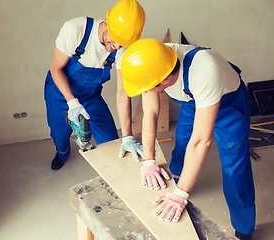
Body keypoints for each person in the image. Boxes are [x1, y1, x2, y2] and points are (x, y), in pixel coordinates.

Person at [121, 39, 255, 240]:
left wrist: (180, 195)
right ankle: (177, 180)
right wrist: (148, 161)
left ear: (164, 80)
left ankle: (244, 228)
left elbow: (202, 141)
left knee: (234, 167)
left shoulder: (205, 71)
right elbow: (150, 112)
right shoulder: (155, 59)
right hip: (193, 102)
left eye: (147, 88)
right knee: (182, 148)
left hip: (229, 106)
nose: (145, 92)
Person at [44, 0, 145, 170]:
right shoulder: (76, 29)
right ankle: (62, 153)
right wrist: (72, 102)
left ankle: (115, 170)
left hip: (91, 97)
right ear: (106, 21)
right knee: (59, 135)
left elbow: (123, 92)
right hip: (59, 94)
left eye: (123, 43)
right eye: (115, 39)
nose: (117, 47)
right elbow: (56, 69)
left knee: (112, 140)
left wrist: (127, 136)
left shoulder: (122, 49)